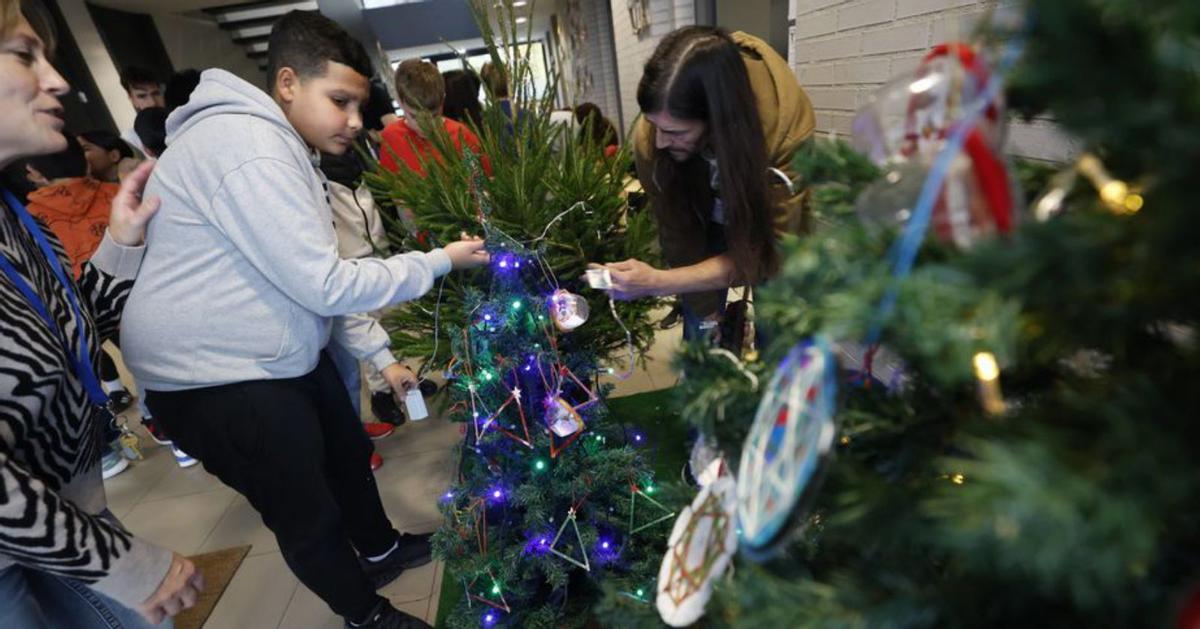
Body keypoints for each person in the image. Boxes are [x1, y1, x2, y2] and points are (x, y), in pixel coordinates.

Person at [119, 11, 488, 628]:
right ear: (287, 83)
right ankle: (365, 614)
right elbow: (325, 283)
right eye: (339, 100)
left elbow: (315, 279)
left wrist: (381, 358)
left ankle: (379, 549)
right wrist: (438, 261)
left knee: (345, 451)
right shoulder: (251, 149)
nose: (352, 121)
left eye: (358, 105)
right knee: (304, 508)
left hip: (274, 348)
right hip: (213, 375)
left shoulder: (281, 145)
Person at [0, 1, 202, 626]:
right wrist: (116, 561)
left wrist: (121, 241)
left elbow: (71, 330)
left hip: (61, 517)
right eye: (23, 54)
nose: (59, 80)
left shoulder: (15, 216)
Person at [592, 26, 815, 340]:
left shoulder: (785, 130)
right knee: (701, 330)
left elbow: (769, 252)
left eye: (676, 133)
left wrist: (657, 282)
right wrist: (706, 311)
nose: (660, 141)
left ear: (719, 121)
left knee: (778, 333)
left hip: (769, 232)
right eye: (654, 125)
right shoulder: (654, 139)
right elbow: (677, 232)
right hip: (703, 219)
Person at [379, 58, 489, 177]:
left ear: (443, 99)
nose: (426, 126)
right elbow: (392, 189)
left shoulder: (463, 136)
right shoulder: (391, 138)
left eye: (434, 115)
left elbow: (482, 184)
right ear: (399, 102)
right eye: (415, 117)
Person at [118, 66, 162, 154]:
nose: (152, 102)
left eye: (156, 93)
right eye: (142, 96)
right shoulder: (130, 137)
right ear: (132, 99)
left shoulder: (178, 122)